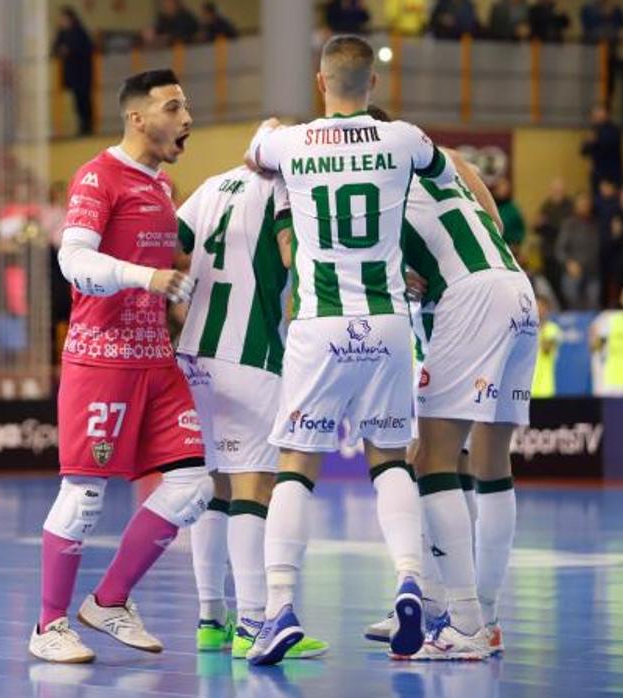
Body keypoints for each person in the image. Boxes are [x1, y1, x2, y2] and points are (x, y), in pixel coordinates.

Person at [243, 35, 469, 665]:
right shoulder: (403, 139)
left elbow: (254, 151)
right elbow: (447, 178)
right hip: (389, 324)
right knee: (391, 459)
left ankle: (279, 607)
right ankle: (408, 583)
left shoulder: (290, 144)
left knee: (296, 463)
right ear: (373, 85)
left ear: (321, 83)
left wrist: (274, 129)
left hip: (320, 327)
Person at [29, 69, 203, 664]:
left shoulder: (162, 186)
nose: (187, 119)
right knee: (83, 496)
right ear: (137, 117)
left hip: (156, 360)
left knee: (191, 486)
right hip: (100, 361)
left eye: (186, 107)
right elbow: (73, 260)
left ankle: (108, 601)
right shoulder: (98, 176)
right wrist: (145, 277)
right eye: (174, 107)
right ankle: (49, 624)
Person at [356, 105, 532, 661]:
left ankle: (462, 620)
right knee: (490, 458)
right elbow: (494, 225)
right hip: (516, 288)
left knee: (431, 458)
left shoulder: (373, 184)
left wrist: (411, 270)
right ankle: (483, 614)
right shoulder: (449, 159)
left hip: (468, 299)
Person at [175, 165, 327, 660]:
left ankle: (209, 618)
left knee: (214, 483)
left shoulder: (212, 184)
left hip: (193, 353)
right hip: (250, 353)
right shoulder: (283, 184)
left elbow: (166, 242)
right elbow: (293, 254)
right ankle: (254, 624)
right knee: (254, 485)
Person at [52, 6, 95, 136]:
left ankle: (88, 126)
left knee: (84, 99)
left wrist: (70, 50)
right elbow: (54, 49)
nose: (61, 21)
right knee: (77, 101)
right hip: (71, 74)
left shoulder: (80, 32)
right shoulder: (61, 33)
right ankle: (82, 125)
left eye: (64, 18)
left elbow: (88, 48)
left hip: (83, 72)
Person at [581, 104, 622, 193]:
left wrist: (596, 138)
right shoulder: (592, 130)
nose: (597, 116)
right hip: (596, 173)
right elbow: (583, 151)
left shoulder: (614, 129)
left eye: (599, 112)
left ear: (606, 114)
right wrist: (588, 141)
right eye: (595, 114)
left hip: (612, 173)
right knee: (596, 200)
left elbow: (610, 143)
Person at [531, 295, 561, 398]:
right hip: (529, 389)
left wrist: (540, 327)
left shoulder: (554, 329)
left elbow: (546, 349)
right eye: (536, 307)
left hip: (546, 389)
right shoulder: (527, 329)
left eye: (541, 307)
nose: (538, 310)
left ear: (547, 310)